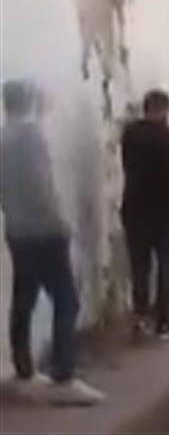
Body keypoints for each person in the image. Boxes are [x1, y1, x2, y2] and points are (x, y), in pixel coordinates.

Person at [0, 80, 105, 405]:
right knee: (66, 300)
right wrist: (60, 223)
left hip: (17, 230)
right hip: (45, 231)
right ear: (31, 99)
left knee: (23, 299)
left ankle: (23, 371)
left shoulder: (2, 137)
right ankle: (64, 376)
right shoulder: (31, 137)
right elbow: (41, 186)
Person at [121, 90, 169, 339]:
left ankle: (140, 319)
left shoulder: (130, 136)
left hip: (134, 210)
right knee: (166, 267)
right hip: (165, 212)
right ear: (164, 110)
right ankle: (163, 321)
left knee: (139, 267)